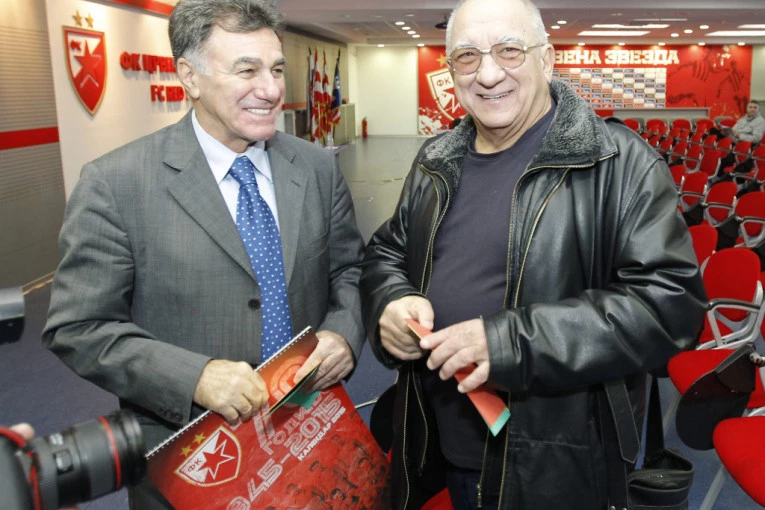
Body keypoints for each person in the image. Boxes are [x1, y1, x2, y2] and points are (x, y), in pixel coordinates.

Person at [359, 0, 707, 508]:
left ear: (546, 60)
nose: (488, 74)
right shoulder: (435, 160)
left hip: (559, 465)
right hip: (447, 446)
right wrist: (390, 302)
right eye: (468, 56)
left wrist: (509, 343)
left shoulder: (619, 162)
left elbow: (670, 306)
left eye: (509, 50)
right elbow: (385, 252)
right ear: (451, 70)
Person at [43, 0, 365, 507]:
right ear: (189, 77)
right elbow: (78, 327)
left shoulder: (316, 168)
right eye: (247, 70)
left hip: (310, 439)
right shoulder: (116, 184)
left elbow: (349, 270)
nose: (271, 89)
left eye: (276, 69)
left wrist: (344, 333)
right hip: (193, 463)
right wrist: (193, 377)